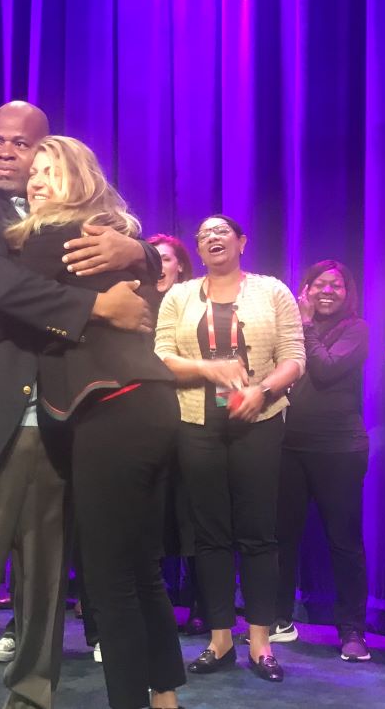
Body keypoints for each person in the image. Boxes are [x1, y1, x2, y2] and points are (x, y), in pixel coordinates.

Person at [0, 100, 158, 709]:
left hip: (58, 422)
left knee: (45, 583)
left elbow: (135, 251)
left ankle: (31, 698)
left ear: (46, 152)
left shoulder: (77, 216)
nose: (5, 151)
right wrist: (94, 308)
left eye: (21, 145)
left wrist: (142, 256)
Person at [4, 135, 185, 709]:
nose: (34, 181)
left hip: (112, 406)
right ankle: (164, 700)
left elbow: (0, 292)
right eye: (31, 172)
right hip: (150, 401)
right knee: (139, 565)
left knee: (110, 580)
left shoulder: (50, 237)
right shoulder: (107, 233)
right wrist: (144, 252)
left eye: (47, 171)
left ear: (77, 178)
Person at [155, 214, 305, 682]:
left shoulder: (272, 291)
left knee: (259, 533)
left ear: (242, 241)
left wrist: (261, 391)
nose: (213, 238)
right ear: (197, 250)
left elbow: (294, 358)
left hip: (258, 421)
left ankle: (259, 643)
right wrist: (208, 369)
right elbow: (161, 356)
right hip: (196, 423)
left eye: (222, 232)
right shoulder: (180, 296)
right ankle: (220, 640)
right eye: (204, 235)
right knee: (210, 534)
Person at [273, 260, 371, 661]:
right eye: (319, 284)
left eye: (337, 285)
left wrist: (306, 325)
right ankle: (277, 620)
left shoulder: (356, 329)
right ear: (306, 289)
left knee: (344, 542)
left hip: (340, 450)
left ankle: (352, 631)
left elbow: (328, 369)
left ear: (348, 294)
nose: (327, 290)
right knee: (281, 538)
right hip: (289, 446)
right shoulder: (289, 330)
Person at [147, 234, 203, 636]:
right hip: (146, 420)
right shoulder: (132, 301)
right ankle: (158, 598)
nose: (159, 266)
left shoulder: (192, 302)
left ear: (180, 264)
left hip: (190, 413)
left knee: (193, 510)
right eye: (152, 259)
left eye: (165, 259)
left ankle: (201, 601)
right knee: (153, 512)